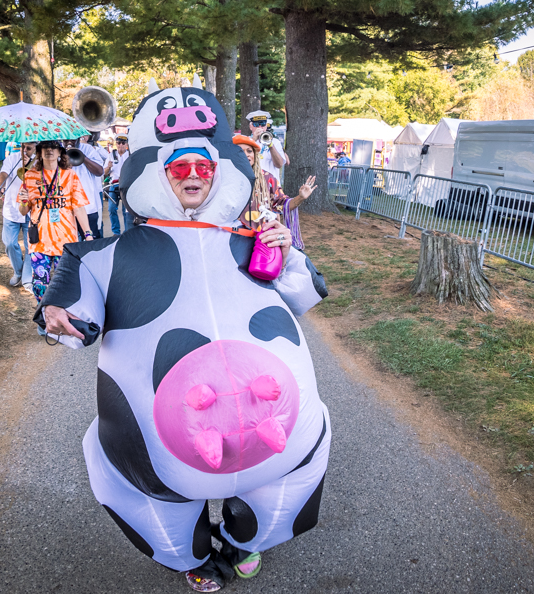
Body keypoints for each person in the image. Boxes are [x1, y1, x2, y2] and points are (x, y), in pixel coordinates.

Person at [37, 84, 330, 593]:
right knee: (160, 512)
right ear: (157, 173)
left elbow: (305, 296)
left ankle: (244, 542)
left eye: (204, 167)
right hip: (158, 447)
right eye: (179, 168)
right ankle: (193, 557)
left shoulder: (251, 240)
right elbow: (69, 313)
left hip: (278, 435)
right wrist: (60, 317)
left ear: (220, 172)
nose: (193, 176)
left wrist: (286, 252)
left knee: (278, 497)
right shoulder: (103, 254)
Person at [17, 140, 91, 303]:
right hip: (39, 241)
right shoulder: (29, 176)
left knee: (65, 284)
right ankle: (44, 318)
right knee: (40, 285)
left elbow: (78, 208)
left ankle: (62, 316)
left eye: (54, 147)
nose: (49, 150)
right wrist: (23, 201)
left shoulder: (70, 176)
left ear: (60, 153)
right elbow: (23, 211)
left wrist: (88, 234)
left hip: (66, 241)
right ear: (39, 152)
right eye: (45, 147)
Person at [233, 134, 316, 251]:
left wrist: (301, 197)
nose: (246, 154)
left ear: (254, 155)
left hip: (262, 239)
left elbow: (281, 204)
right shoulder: (223, 178)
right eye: (240, 151)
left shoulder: (267, 178)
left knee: (281, 245)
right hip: (233, 237)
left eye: (249, 151)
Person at [0, 141, 36, 290]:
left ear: (35, 148)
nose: (25, 150)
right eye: (23, 147)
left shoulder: (39, 161)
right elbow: (4, 173)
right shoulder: (12, 158)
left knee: (30, 245)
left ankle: (26, 277)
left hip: (30, 210)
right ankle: (18, 271)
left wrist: (29, 167)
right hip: (11, 209)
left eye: (29, 148)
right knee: (10, 243)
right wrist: (0, 186)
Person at [68, 132, 109, 239]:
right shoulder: (58, 152)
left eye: (72, 139)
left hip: (88, 207)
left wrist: (82, 157)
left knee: (91, 242)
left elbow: (100, 171)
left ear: (78, 138)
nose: (69, 142)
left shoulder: (87, 149)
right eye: (66, 140)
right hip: (67, 209)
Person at [245, 109, 287, 183]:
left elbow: (279, 164)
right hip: (253, 184)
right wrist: (253, 140)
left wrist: (270, 144)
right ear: (251, 127)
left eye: (263, 123)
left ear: (266, 126)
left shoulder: (275, 142)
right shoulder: (245, 142)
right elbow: (242, 160)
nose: (260, 127)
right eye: (256, 124)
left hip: (271, 185)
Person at [103, 135, 130, 235]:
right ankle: (116, 232)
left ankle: (127, 232)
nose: (121, 145)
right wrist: (109, 167)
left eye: (123, 143)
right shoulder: (111, 155)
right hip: (113, 185)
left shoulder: (129, 155)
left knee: (126, 210)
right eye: (119, 143)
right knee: (111, 209)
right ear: (116, 144)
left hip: (125, 185)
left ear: (127, 144)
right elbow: (104, 172)